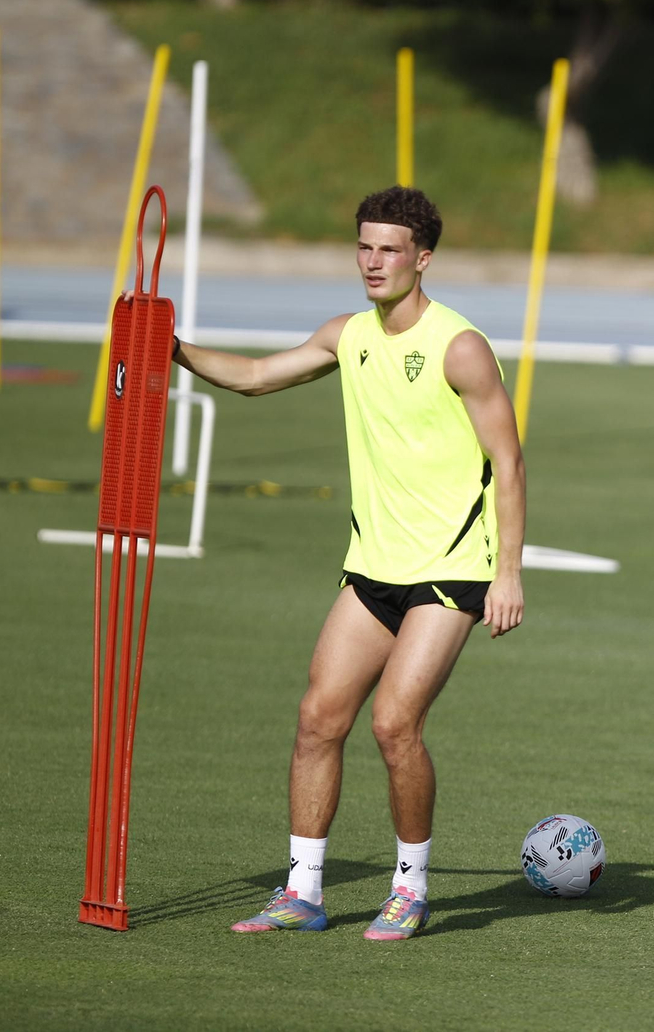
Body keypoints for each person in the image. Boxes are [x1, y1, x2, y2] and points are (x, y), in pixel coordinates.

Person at [166, 186, 526, 941]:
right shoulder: (347, 335)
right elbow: (258, 376)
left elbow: (509, 460)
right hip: (372, 568)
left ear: (422, 258)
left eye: (389, 248)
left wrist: (509, 574)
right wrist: (171, 347)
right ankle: (302, 893)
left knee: (395, 726)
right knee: (316, 721)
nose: (373, 261)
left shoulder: (461, 346)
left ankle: (410, 888)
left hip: (449, 570)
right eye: (365, 246)